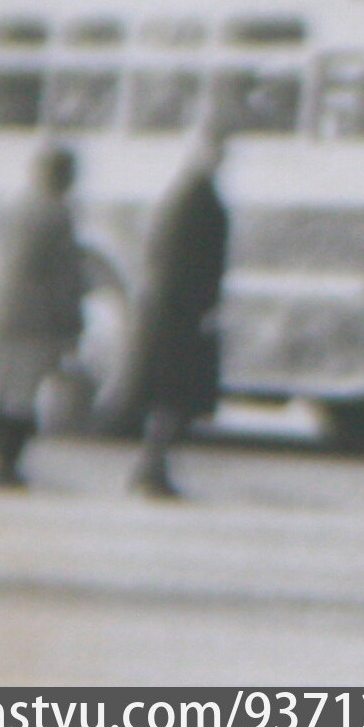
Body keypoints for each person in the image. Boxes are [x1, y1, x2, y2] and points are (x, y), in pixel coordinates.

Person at [0, 142, 111, 489]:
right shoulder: (57, 213)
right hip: (35, 320)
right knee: (21, 398)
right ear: (63, 176)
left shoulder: (10, 205)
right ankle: (5, 465)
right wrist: (73, 322)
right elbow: (63, 275)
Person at [107, 117, 232, 498]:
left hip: (171, 310)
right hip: (177, 314)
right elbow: (186, 262)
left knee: (169, 397)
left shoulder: (186, 192)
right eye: (216, 150)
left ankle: (152, 466)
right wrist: (203, 309)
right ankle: (151, 469)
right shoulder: (195, 197)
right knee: (170, 396)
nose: (221, 158)